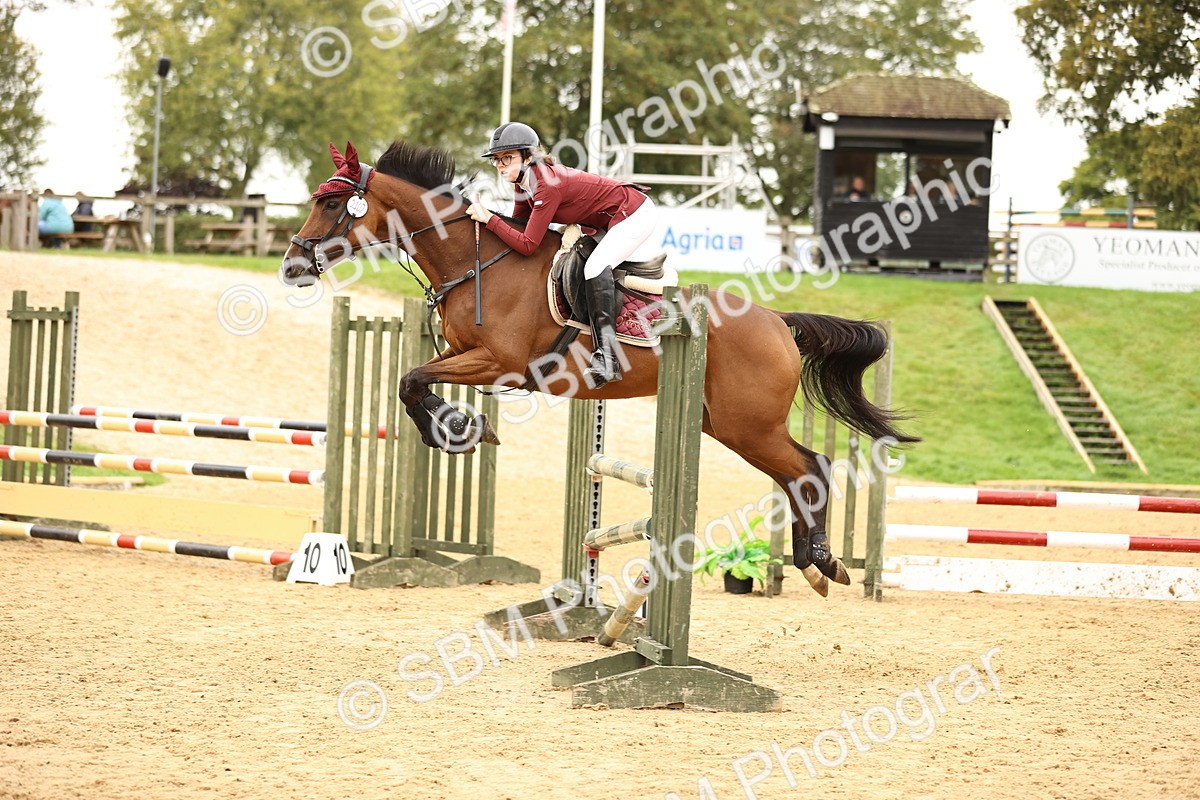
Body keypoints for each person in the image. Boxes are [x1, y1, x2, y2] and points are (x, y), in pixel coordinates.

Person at [466, 121, 655, 388]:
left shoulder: (545, 184)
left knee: (594, 268)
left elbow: (529, 244)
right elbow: (518, 226)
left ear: (528, 156)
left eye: (507, 158)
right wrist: (489, 220)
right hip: (605, 222)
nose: (500, 165)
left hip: (633, 213)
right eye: (496, 160)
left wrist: (489, 219)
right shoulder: (523, 185)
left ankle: (608, 358)